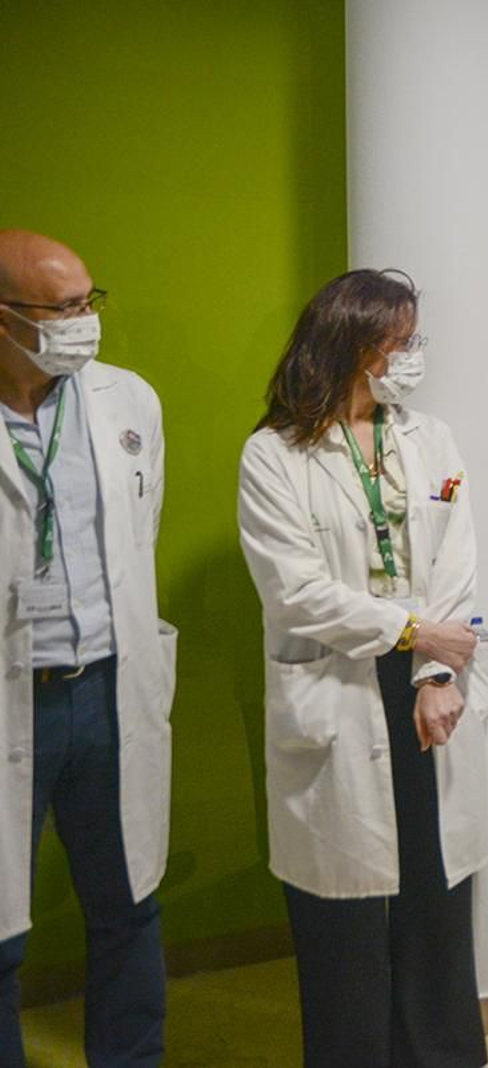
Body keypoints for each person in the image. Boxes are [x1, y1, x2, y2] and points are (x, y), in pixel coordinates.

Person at [238, 269, 488, 1068]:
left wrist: (436, 673)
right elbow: (295, 592)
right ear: (348, 346)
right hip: (339, 688)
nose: (412, 356)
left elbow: (456, 560)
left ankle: (441, 1054)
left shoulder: (430, 438)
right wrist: (411, 631)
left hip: (428, 685)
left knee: (435, 894)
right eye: (398, 342)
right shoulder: (274, 454)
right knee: (342, 921)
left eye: (414, 339)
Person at [0, 231, 174, 1068]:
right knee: (1, 931)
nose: (84, 323)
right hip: (14, 700)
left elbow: (140, 531)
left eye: (87, 302)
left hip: (108, 690)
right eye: (62, 309)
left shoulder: (126, 400)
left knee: (128, 902)